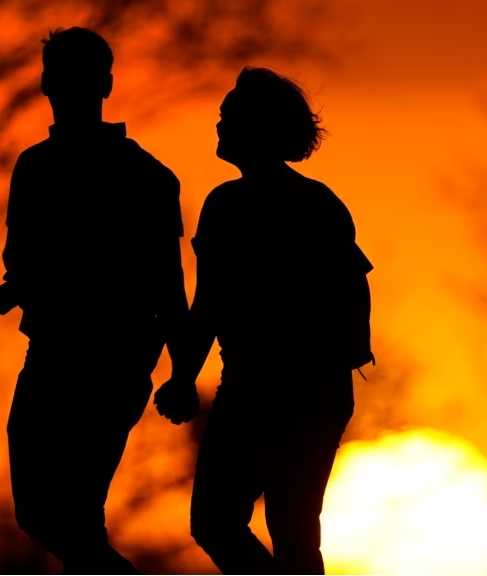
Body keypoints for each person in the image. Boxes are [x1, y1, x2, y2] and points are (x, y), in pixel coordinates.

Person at [154, 67, 374, 575]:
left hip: (285, 390)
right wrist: (184, 376)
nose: (219, 126)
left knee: (256, 526)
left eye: (229, 118)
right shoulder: (289, 203)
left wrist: (185, 377)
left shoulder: (256, 206)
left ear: (260, 128)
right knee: (256, 529)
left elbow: (208, 305)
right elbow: (210, 305)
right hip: (274, 389)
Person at [0, 27, 187, 574]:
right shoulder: (34, 169)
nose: (68, 87)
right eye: (61, 76)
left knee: (72, 517)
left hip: (114, 361)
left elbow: (168, 286)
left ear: (104, 84)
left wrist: (182, 371)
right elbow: (19, 260)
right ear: (48, 84)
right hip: (52, 354)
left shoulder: (145, 176)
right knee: (42, 515)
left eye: (79, 76)